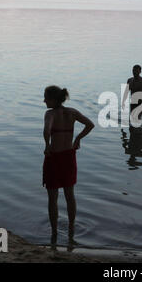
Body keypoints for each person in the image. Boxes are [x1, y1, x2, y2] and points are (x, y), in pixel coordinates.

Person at [42, 85, 94, 245]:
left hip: (54, 158)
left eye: (46, 98)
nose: (44, 101)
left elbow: (47, 129)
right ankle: (71, 229)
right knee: (70, 195)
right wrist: (77, 139)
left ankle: (54, 232)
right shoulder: (72, 112)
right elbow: (90, 124)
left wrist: (47, 144)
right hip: (69, 157)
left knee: (53, 198)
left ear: (53, 99)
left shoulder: (50, 113)